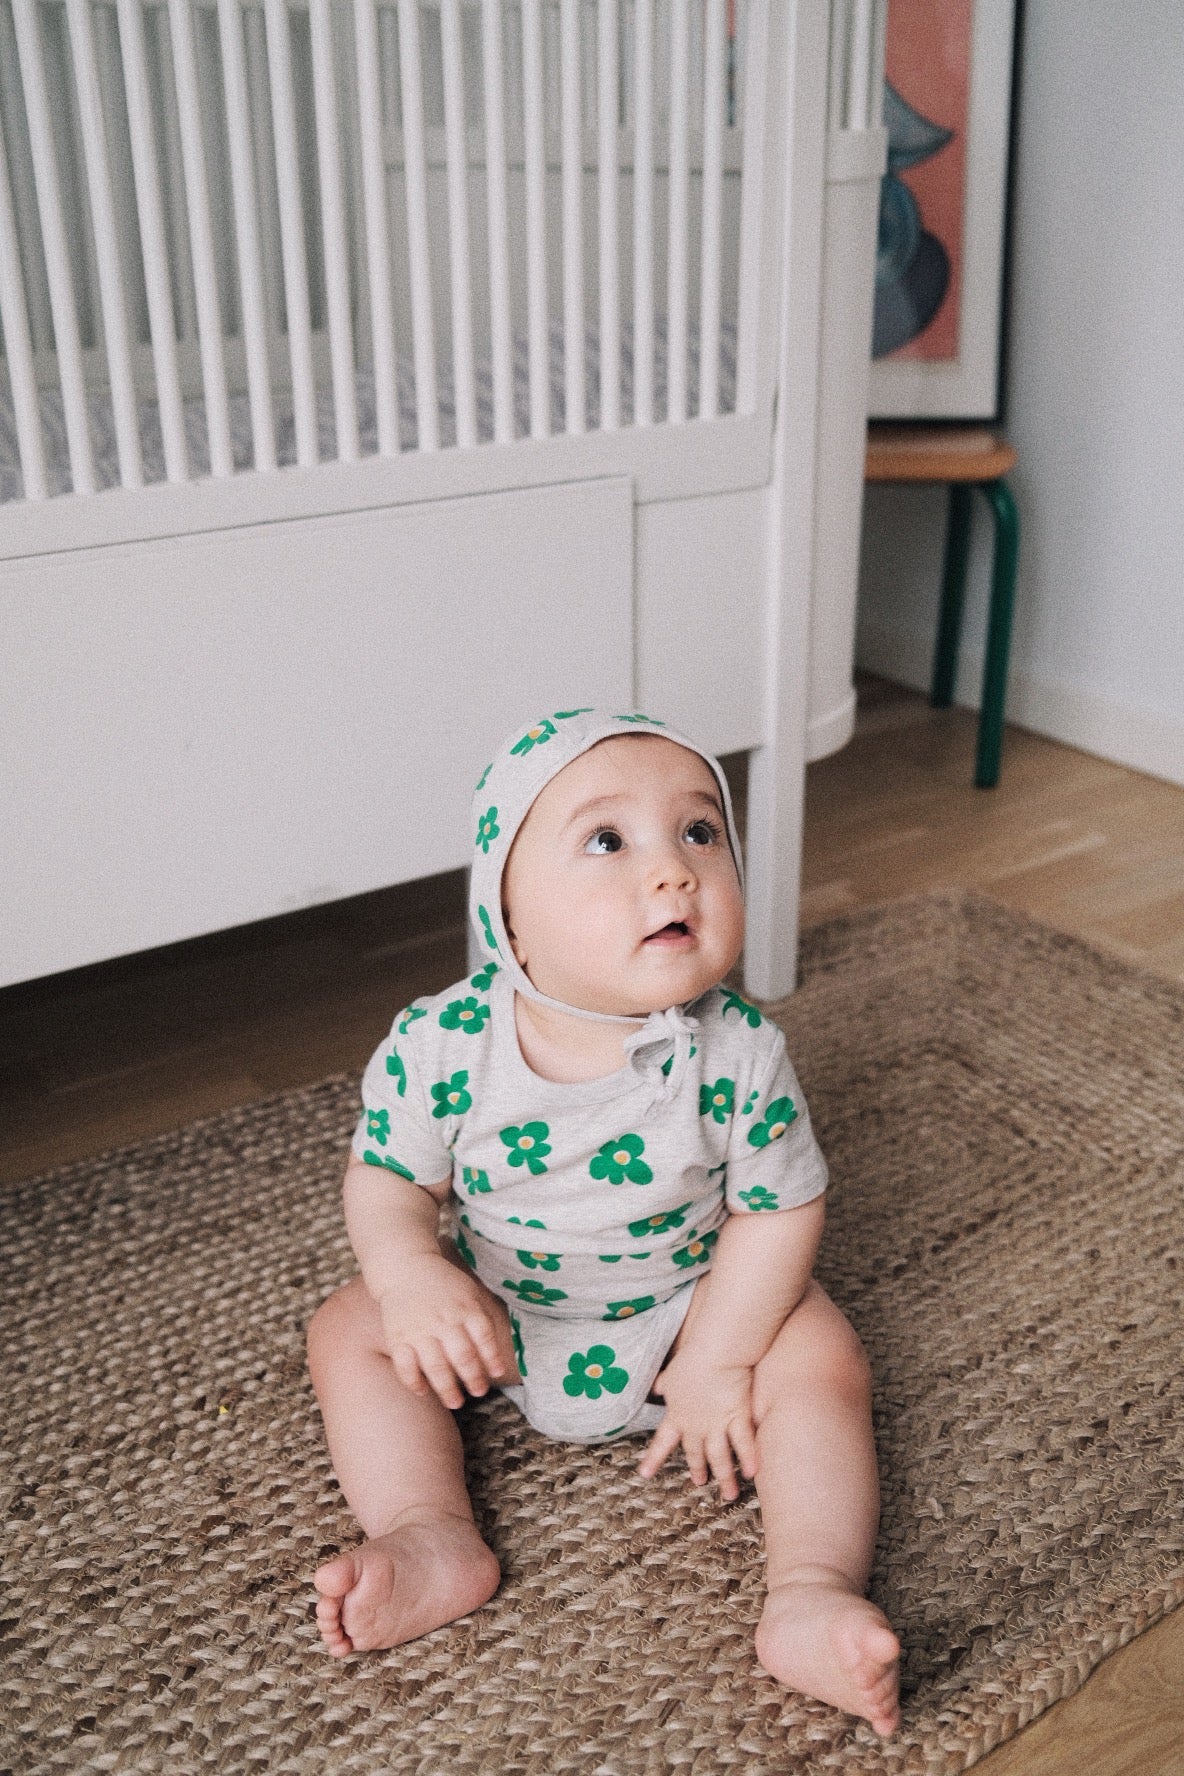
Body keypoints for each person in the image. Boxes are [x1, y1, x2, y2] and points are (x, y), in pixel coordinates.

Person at [308, 708, 900, 1737]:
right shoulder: (442, 1042)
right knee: (346, 1328)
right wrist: (408, 1272)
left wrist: (718, 1359)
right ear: (508, 917)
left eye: (698, 832)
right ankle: (429, 1531)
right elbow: (389, 1179)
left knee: (820, 1352)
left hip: (685, 1311)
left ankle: (808, 1587)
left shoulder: (738, 1052)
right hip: (497, 1313)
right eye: (605, 840)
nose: (672, 872)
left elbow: (777, 1208)